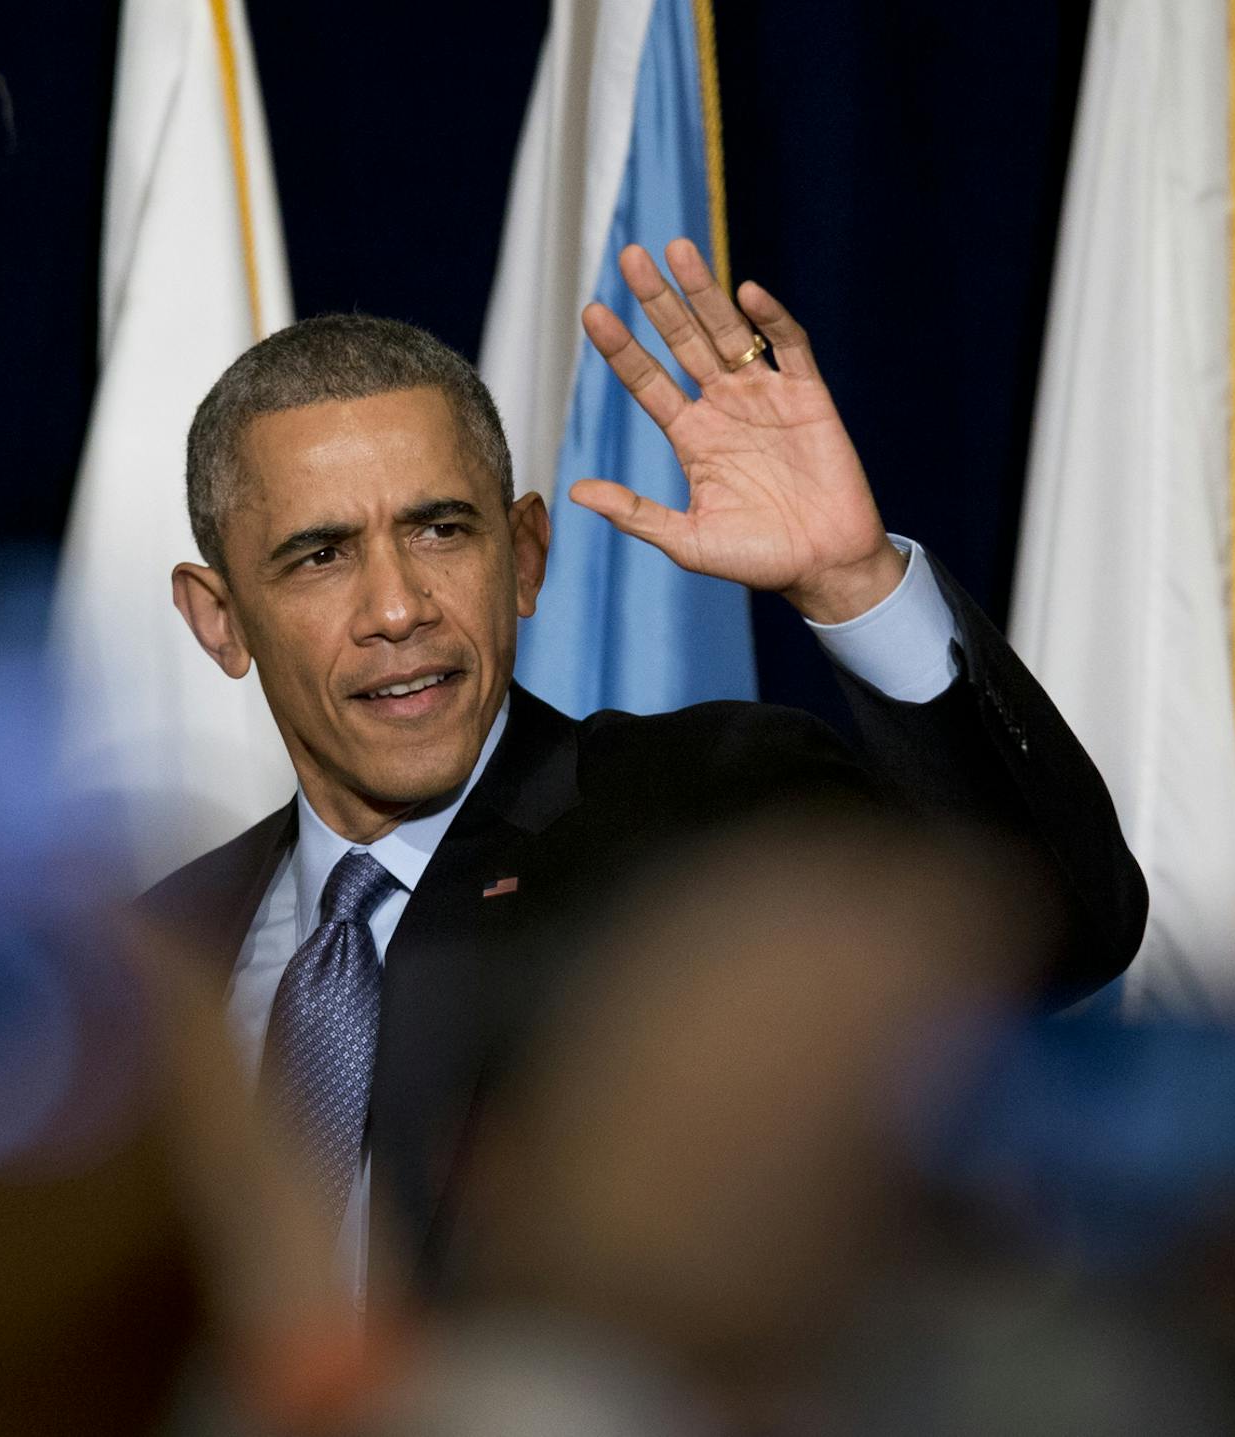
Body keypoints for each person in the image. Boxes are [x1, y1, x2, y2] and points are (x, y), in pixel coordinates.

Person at [138, 240, 1149, 1302]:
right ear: (219, 620)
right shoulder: (156, 960)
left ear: (524, 556)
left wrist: (855, 584)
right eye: (321, 556)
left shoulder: (705, 813)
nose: (398, 609)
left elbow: (1049, 933)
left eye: (442, 530)